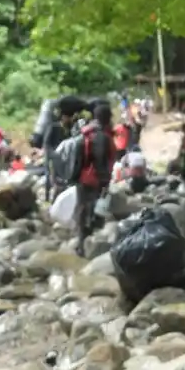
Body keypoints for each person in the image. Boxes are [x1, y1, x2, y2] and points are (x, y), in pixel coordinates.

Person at [74, 102, 115, 256]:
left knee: (82, 209)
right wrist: (105, 180)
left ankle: (81, 244)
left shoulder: (84, 133)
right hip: (97, 180)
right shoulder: (103, 137)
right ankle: (91, 247)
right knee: (95, 212)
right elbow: (104, 159)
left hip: (82, 178)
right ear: (107, 118)